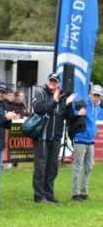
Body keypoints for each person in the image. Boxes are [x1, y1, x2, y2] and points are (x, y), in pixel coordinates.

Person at [31, 73, 71, 203]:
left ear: (58, 83)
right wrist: (54, 101)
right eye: (51, 80)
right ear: (47, 81)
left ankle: (49, 195)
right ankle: (39, 196)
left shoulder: (63, 97)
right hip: (42, 137)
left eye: (55, 81)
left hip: (56, 137)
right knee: (40, 168)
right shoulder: (40, 93)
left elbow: (67, 116)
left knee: (52, 168)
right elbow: (38, 108)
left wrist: (69, 105)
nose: (53, 83)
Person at [68, 85, 103, 201]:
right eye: (95, 95)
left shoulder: (98, 108)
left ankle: (84, 192)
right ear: (90, 94)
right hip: (80, 139)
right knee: (78, 166)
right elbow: (69, 112)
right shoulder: (82, 103)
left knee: (88, 167)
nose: (96, 97)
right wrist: (78, 113)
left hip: (90, 141)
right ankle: (75, 194)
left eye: (98, 95)